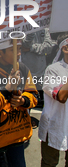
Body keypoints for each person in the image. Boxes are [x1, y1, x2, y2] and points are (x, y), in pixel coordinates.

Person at [0, 39, 38, 167]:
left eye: (19, 49)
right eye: (13, 50)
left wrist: (23, 100)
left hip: (17, 133)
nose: (19, 53)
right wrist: (8, 88)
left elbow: (34, 94)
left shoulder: (22, 68)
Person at [38, 32, 68, 167]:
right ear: (65, 48)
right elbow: (61, 97)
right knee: (49, 163)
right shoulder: (53, 70)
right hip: (55, 125)